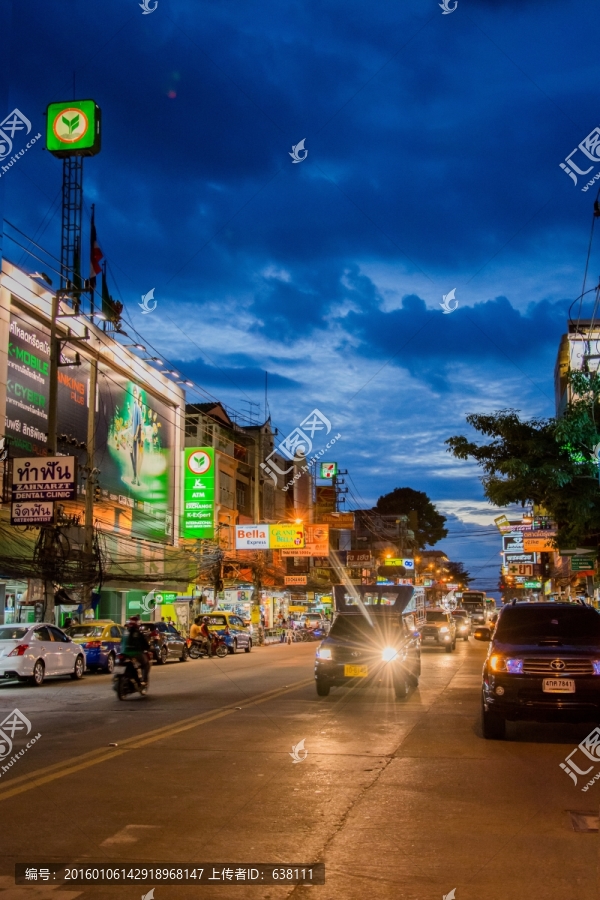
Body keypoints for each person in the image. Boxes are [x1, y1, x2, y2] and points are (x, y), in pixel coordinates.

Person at [123, 615, 151, 685]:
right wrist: (147, 647)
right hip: (136, 653)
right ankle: (144, 680)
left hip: (124, 653)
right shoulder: (138, 633)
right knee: (146, 664)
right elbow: (145, 643)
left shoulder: (125, 632)